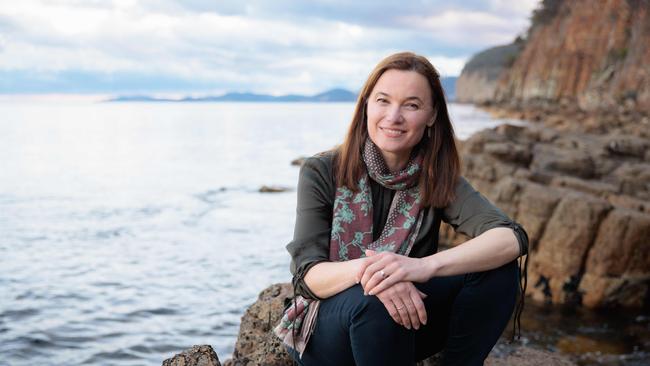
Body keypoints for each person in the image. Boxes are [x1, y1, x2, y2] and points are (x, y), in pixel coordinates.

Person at [274, 52, 529, 366]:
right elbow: (308, 276)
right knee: (374, 299)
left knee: (499, 272)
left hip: (402, 324)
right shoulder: (322, 170)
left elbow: (511, 237)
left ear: (432, 115)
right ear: (366, 104)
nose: (394, 117)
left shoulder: (437, 177)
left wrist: (422, 268)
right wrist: (382, 274)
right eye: (383, 100)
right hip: (327, 331)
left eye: (411, 105)